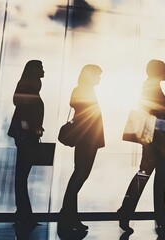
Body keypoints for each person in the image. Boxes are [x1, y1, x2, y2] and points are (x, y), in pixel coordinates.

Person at [117, 59, 165, 233]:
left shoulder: (149, 88)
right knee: (153, 178)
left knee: (147, 177)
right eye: (164, 70)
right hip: (158, 143)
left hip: (156, 142)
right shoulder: (152, 90)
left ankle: (130, 211)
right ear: (157, 72)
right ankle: (129, 212)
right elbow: (153, 118)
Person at [58, 64, 105, 232]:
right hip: (87, 139)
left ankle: (69, 215)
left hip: (87, 139)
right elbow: (86, 115)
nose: (100, 78)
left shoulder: (83, 90)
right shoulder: (84, 91)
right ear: (89, 75)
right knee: (79, 176)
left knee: (78, 176)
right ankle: (67, 215)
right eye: (97, 75)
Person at [8, 60, 45, 229]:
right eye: (40, 67)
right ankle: (24, 215)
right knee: (22, 176)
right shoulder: (29, 88)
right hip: (26, 137)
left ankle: (23, 214)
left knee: (22, 176)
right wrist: (31, 128)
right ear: (34, 70)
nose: (43, 70)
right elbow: (23, 110)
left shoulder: (31, 87)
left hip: (25, 135)